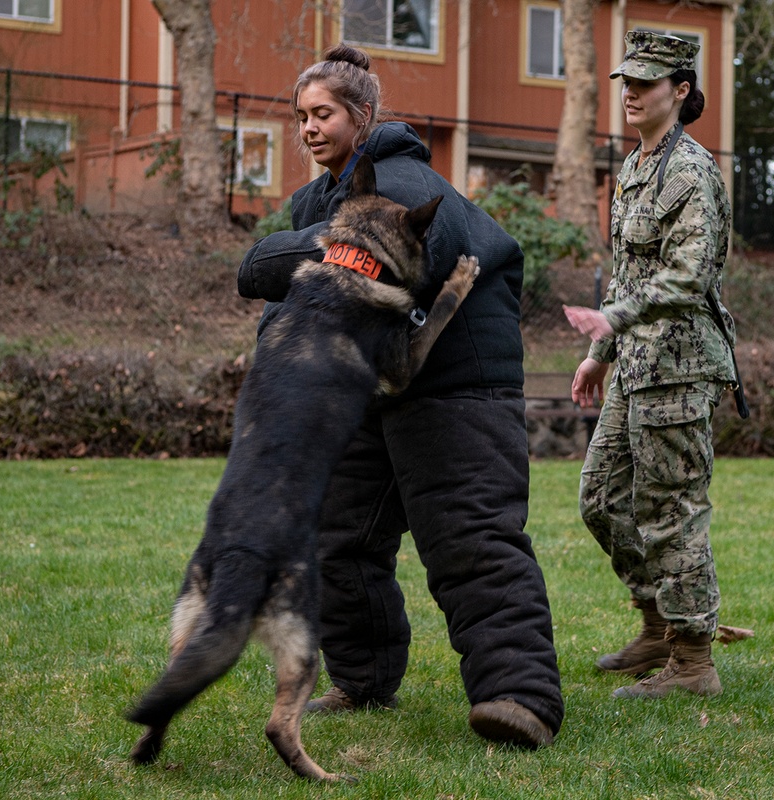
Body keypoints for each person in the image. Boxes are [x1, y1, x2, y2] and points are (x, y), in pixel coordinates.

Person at [236, 43, 564, 747]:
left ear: (361, 115)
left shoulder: (404, 176)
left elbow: (390, 259)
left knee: (470, 538)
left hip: (456, 386)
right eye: (299, 116)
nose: (307, 128)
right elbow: (270, 284)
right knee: (339, 538)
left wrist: (295, 255)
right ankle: (364, 679)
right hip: (367, 391)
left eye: (322, 113)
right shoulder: (314, 200)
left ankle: (519, 698)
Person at [563, 31, 737, 699]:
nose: (631, 93)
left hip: (679, 366)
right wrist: (600, 351)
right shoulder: (636, 165)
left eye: (646, 82)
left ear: (682, 90)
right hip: (634, 363)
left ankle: (693, 664)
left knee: (671, 511)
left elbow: (688, 279)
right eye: (626, 82)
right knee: (601, 499)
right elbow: (632, 271)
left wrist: (615, 320)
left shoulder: (691, 171)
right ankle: (658, 626)